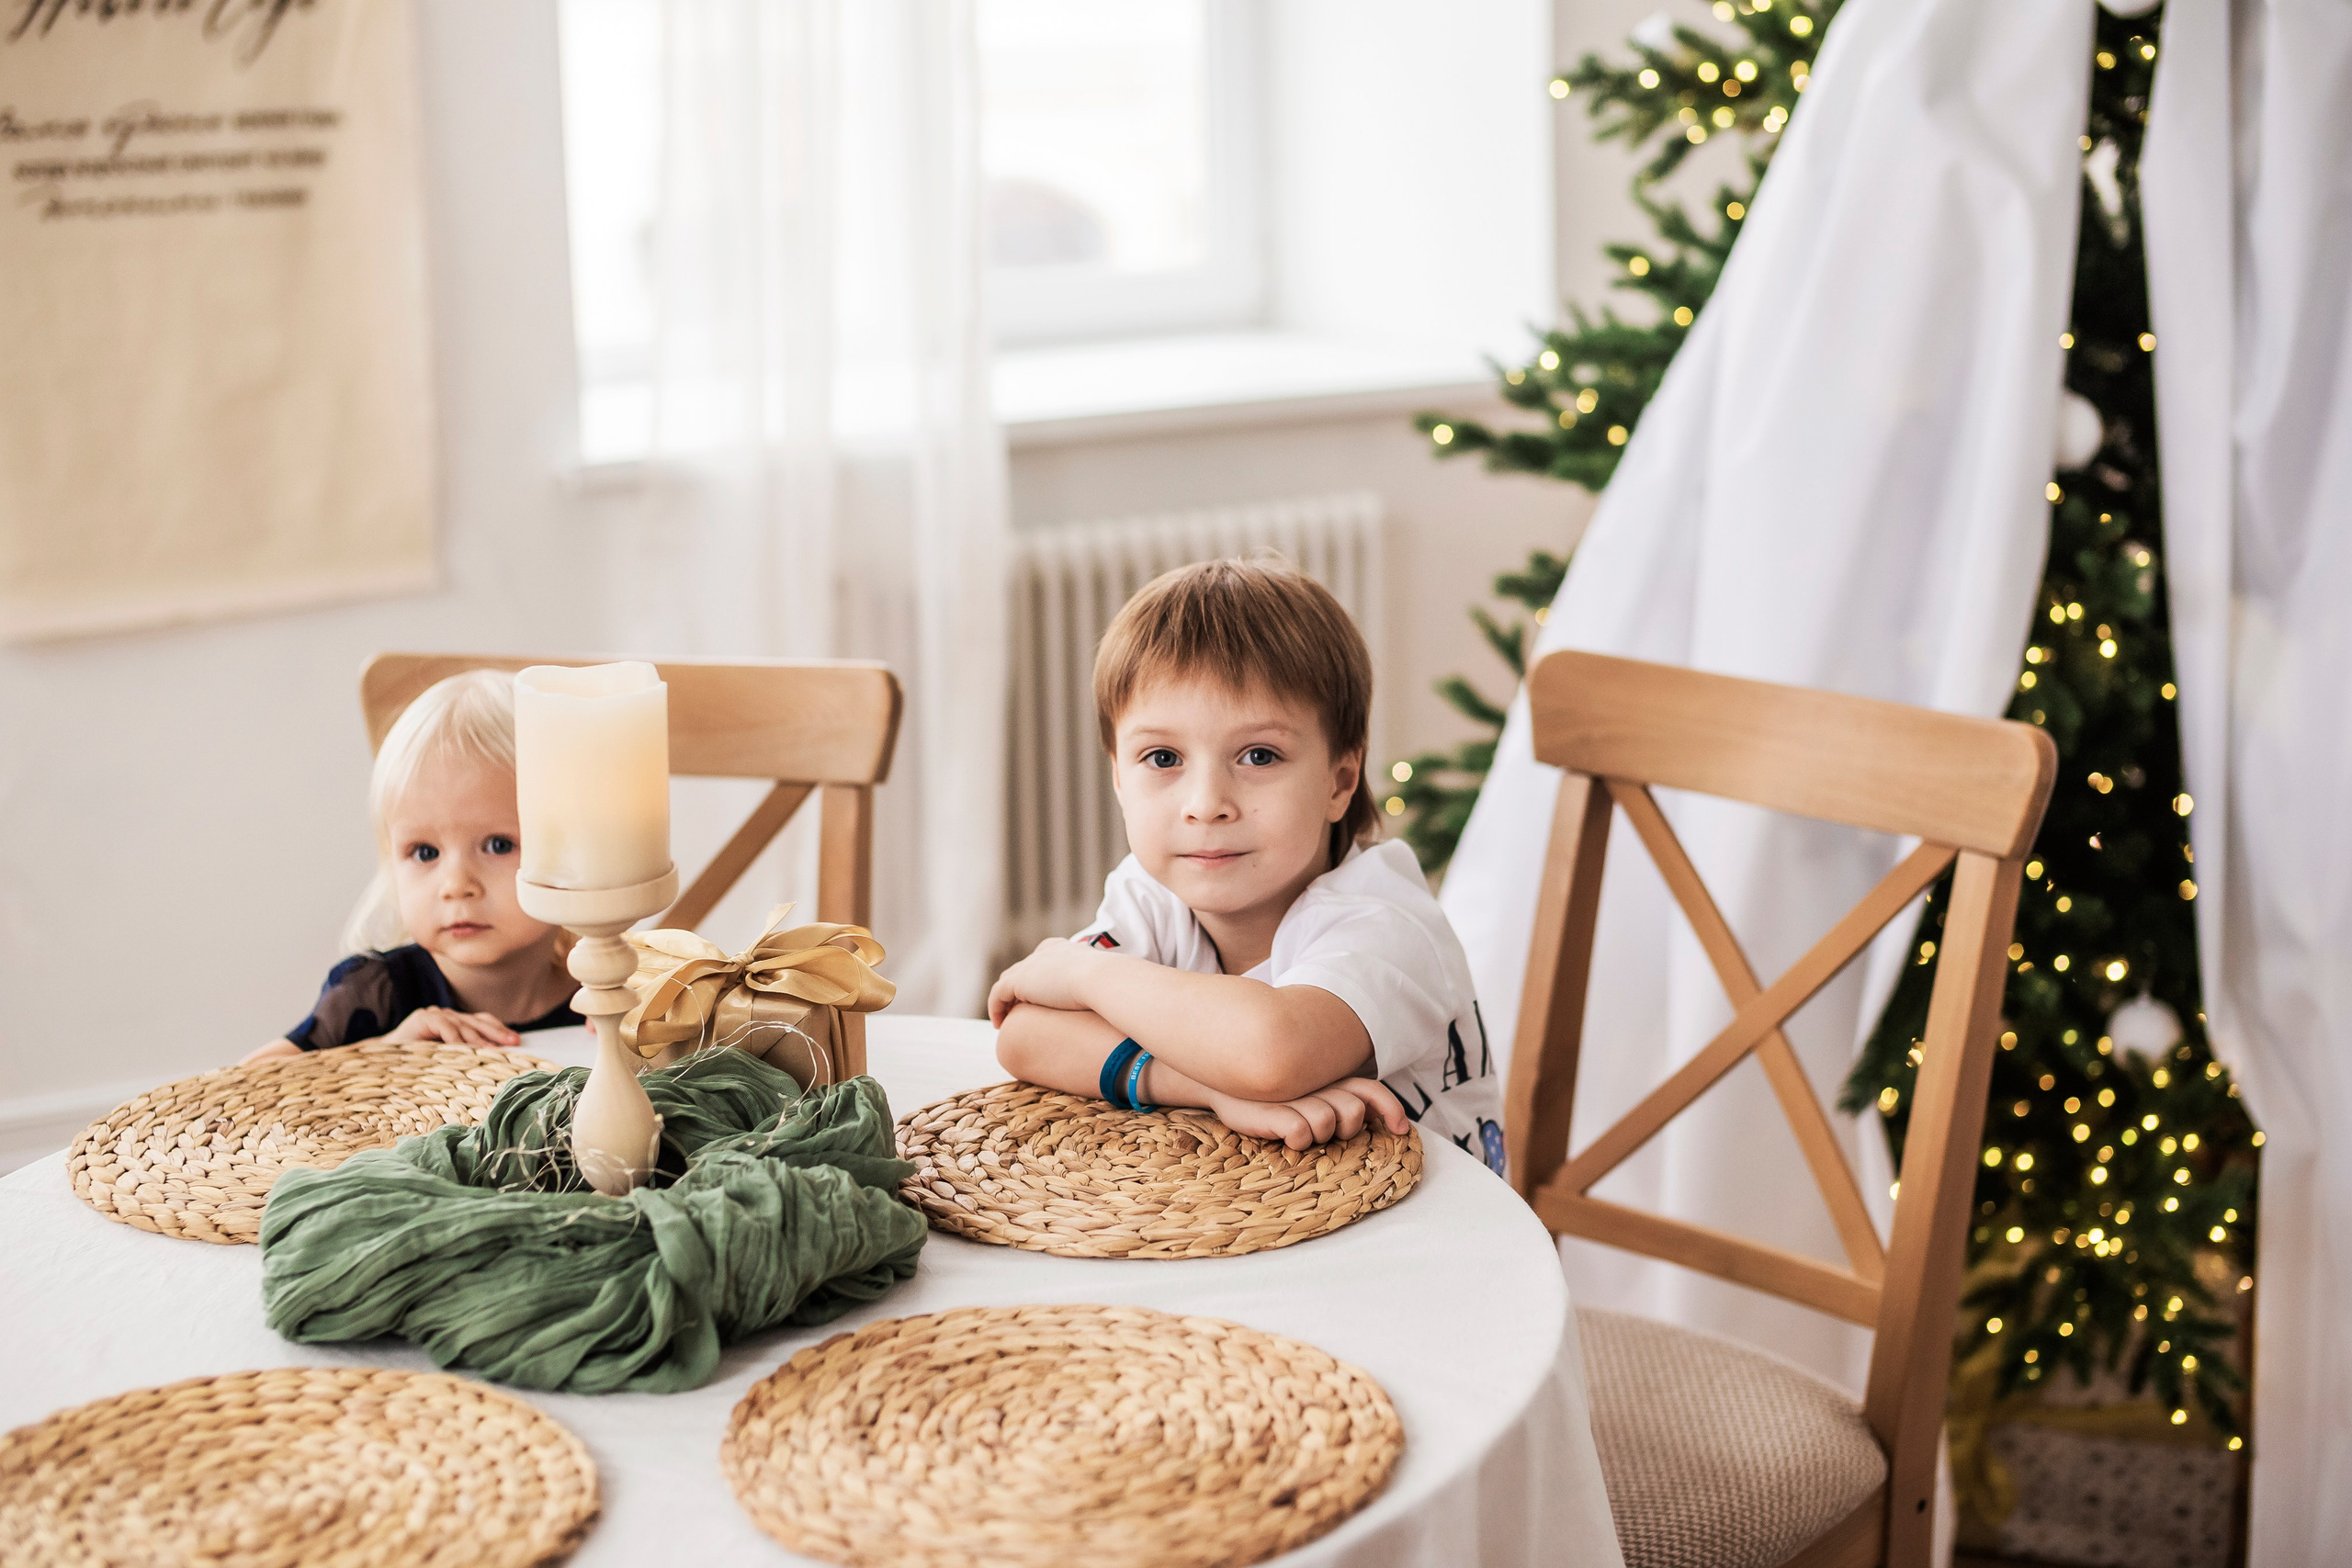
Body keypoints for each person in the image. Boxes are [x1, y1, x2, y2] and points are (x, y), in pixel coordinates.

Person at [988, 558, 1507, 1171]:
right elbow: (1024, 1034)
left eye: (1259, 754)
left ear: (1340, 779)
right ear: (1118, 778)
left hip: (1436, 1245)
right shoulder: (1152, 894)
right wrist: (1211, 1089)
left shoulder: (1389, 923)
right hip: (1261, 1221)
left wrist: (1080, 973)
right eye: (1162, 757)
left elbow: (1272, 1051)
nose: (1207, 804)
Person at [241, 671, 580, 1065]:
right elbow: (245, 1086)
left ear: (574, 849)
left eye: (498, 845)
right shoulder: (375, 994)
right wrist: (388, 1053)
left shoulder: (606, 988)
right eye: (424, 853)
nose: (455, 885)